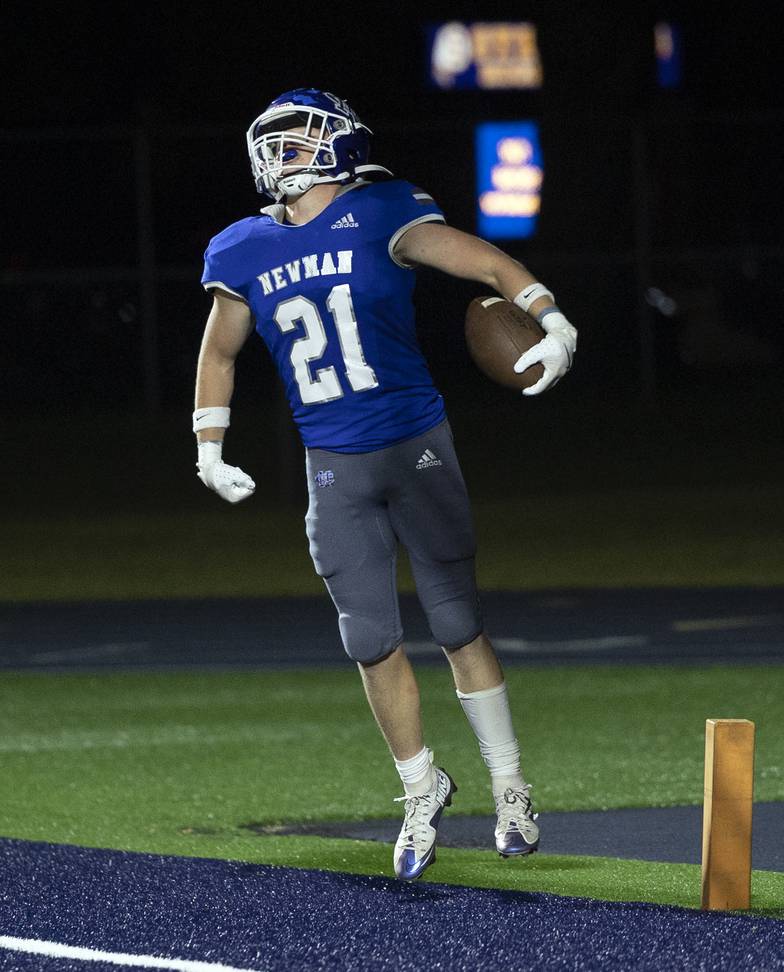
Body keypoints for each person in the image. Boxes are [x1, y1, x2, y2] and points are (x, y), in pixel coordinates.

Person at [193, 88, 577, 882]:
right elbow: (221, 352)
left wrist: (552, 318)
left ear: (339, 144)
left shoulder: (383, 211)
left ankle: (510, 785)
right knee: (368, 639)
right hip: (331, 463)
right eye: (274, 141)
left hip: (416, 446)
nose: (281, 153)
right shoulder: (239, 247)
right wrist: (209, 443)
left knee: (456, 621)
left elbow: (488, 262)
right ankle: (420, 788)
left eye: (298, 139)